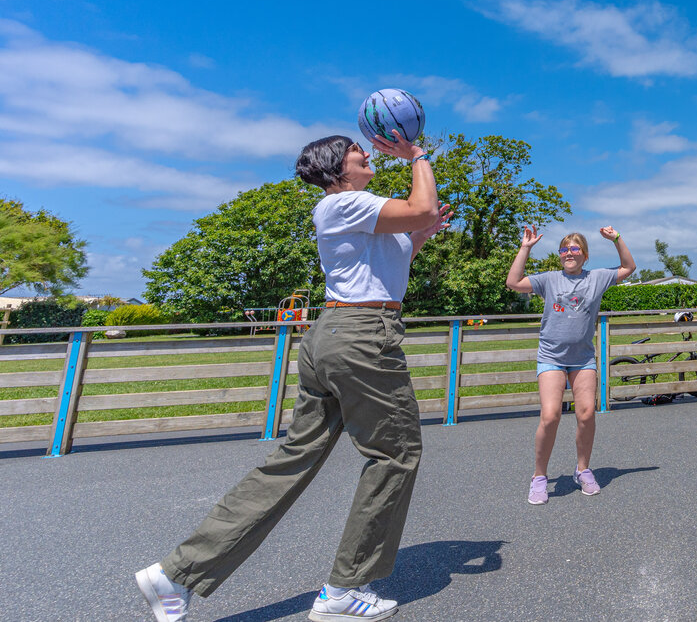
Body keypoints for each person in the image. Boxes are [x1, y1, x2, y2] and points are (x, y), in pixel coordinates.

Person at [136, 130, 452, 622]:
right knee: (396, 453)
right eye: (356, 150)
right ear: (335, 168)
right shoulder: (345, 203)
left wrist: (420, 237)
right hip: (362, 334)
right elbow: (423, 206)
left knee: (294, 457)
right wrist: (417, 155)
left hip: (336, 332)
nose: (366, 153)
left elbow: (391, 263)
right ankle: (344, 592)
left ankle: (176, 573)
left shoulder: (355, 213)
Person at [506, 225, 635, 504]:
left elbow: (628, 267)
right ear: (560, 255)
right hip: (551, 356)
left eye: (575, 248)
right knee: (551, 415)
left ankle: (582, 469)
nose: (569, 253)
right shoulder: (549, 279)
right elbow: (513, 282)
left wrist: (617, 239)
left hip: (582, 358)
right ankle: (539, 477)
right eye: (564, 249)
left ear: (585, 255)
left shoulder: (597, 278)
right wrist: (525, 248)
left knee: (587, 414)